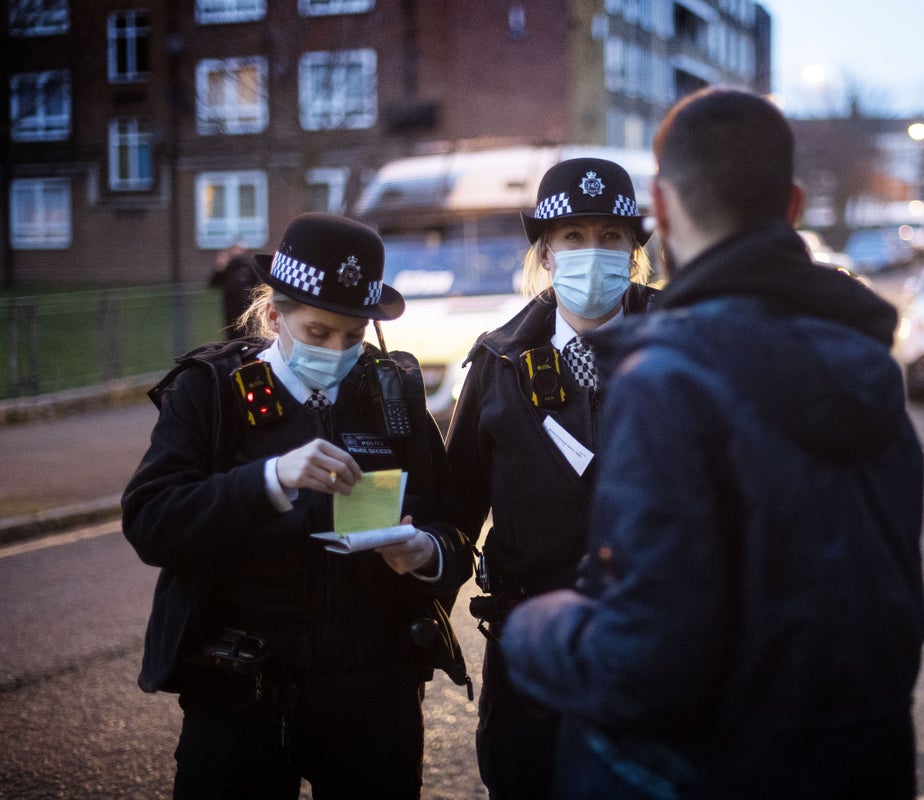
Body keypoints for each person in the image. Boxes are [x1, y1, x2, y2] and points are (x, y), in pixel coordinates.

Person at [500, 88, 924, 799]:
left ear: (662, 213)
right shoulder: (868, 365)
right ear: (792, 206)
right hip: (866, 763)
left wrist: (536, 629)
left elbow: (647, 665)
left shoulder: (670, 378)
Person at [123, 212, 473, 799]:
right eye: (317, 333)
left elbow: (454, 524)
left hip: (372, 690)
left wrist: (426, 551)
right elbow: (151, 521)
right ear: (273, 314)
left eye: (353, 336)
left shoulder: (392, 391)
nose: (338, 351)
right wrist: (268, 478)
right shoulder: (209, 391)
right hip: (241, 690)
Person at [444, 157, 657, 800]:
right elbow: (453, 509)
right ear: (545, 250)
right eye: (572, 237)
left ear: (634, 250)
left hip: (659, 649)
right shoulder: (496, 363)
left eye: (610, 238)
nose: (593, 254)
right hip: (531, 657)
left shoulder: (687, 348)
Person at [209, 243, 260, 338]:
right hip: (231, 309)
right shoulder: (229, 268)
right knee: (233, 336)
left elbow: (258, 286)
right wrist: (220, 267)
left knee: (246, 335)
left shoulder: (249, 267)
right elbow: (214, 283)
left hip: (246, 308)